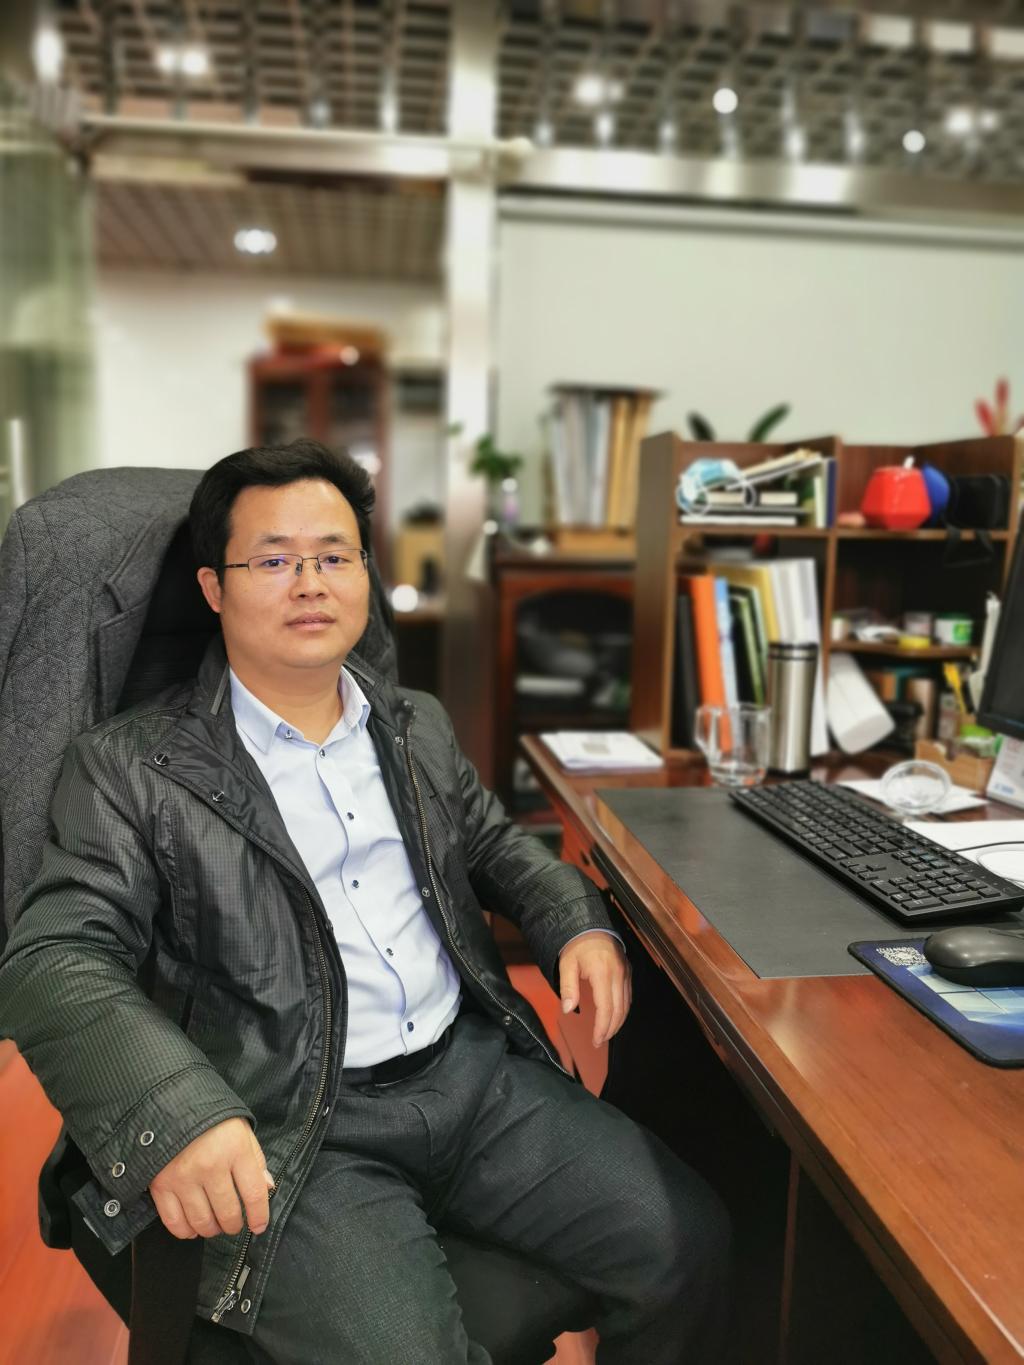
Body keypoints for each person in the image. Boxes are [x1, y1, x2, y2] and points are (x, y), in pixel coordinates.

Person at [0, 439, 729, 1363]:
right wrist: (178, 1109)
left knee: (685, 1243)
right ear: (213, 588)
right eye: (273, 560)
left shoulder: (413, 722)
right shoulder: (129, 767)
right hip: (294, 1117)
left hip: (472, 1077)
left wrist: (573, 919)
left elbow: (491, 840)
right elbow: (55, 954)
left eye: (334, 555)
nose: (311, 582)